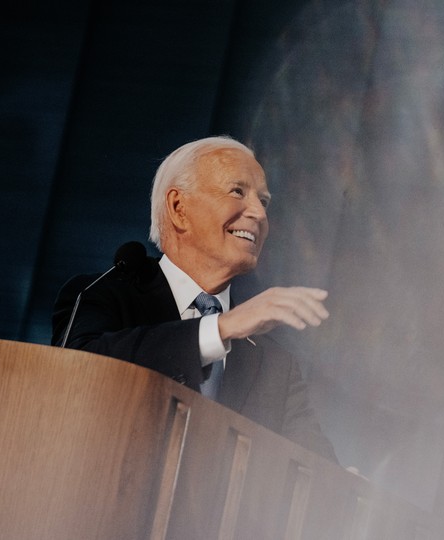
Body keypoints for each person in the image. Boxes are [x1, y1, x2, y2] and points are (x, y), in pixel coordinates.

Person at [51, 135, 337, 462]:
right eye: (237, 192)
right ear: (178, 208)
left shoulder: (275, 366)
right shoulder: (103, 294)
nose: (258, 213)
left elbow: (316, 468)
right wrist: (218, 329)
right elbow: (72, 375)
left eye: (264, 202)